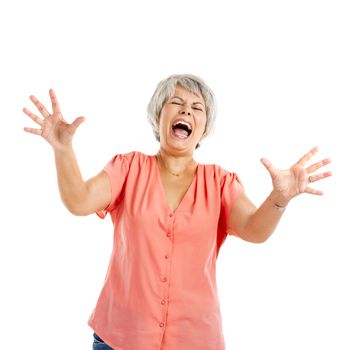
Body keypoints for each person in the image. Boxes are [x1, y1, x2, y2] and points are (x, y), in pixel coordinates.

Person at [23, 74, 332, 350]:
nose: (186, 110)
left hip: (196, 340)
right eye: (176, 102)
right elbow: (79, 201)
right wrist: (63, 149)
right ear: (159, 115)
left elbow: (254, 229)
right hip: (119, 338)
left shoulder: (220, 182)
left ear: (204, 128)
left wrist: (280, 198)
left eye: (197, 108)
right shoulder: (128, 168)